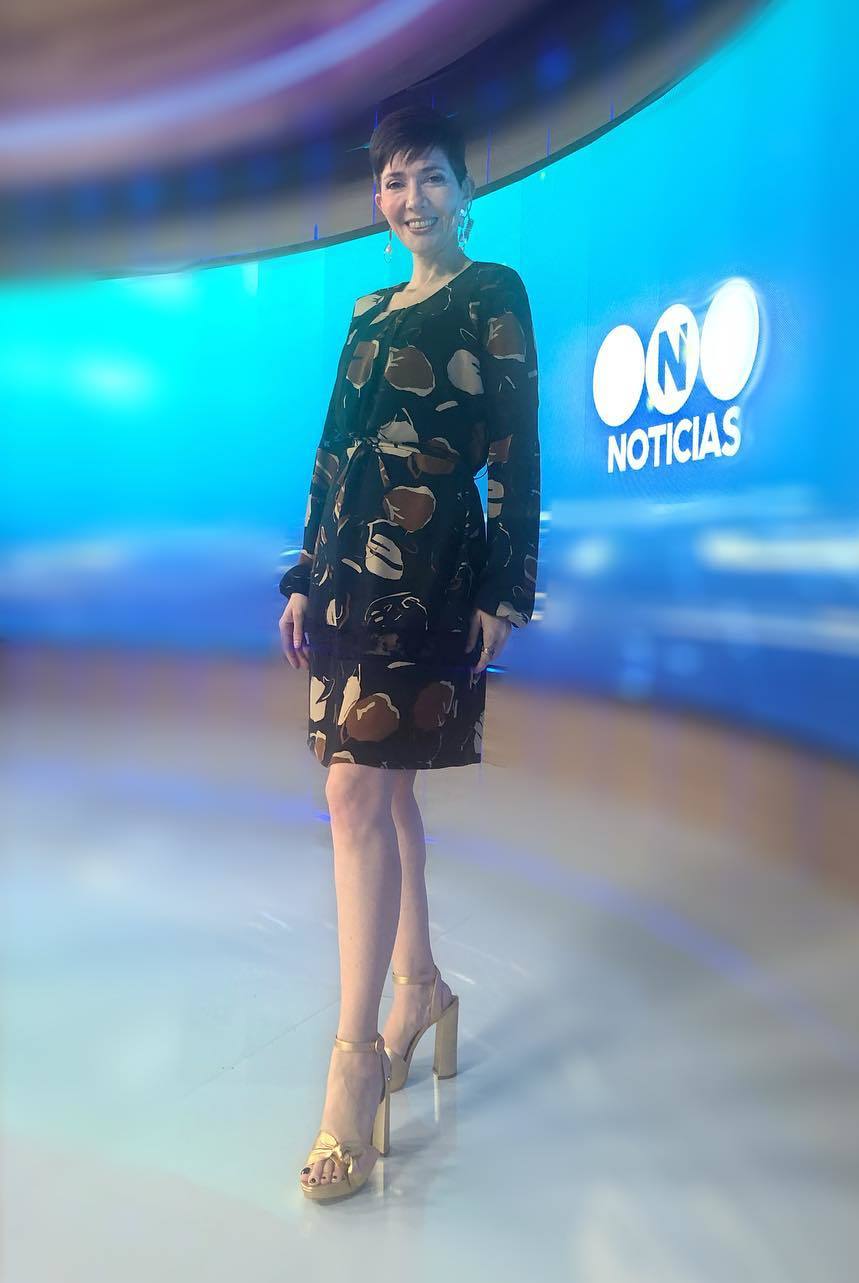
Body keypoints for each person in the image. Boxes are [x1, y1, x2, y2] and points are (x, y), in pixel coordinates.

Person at [277, 104, 541, 1201]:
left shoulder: (494, 293)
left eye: (430, 177)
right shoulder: (366, 311)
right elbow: (334, 450)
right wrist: (303, 570)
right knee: (377, 793)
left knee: (355, 791)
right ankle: (420, 983)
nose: (410, 198)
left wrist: (507, 589)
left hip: (433, 575)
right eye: (393, 181)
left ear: (465, 193)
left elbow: (515, 451)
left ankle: (353, 1067)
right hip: (349, 575)